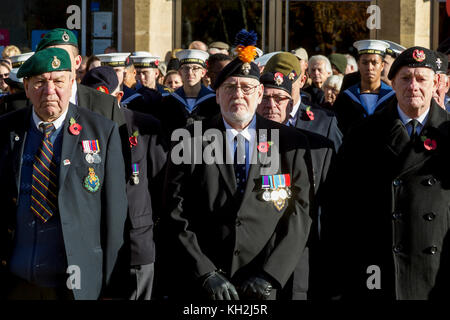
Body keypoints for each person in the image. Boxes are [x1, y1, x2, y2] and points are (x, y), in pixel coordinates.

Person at [161, 30, 313, 300]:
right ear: (216, 94)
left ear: (259, 93)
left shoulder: (290, 143)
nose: (238, 95)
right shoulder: (190, 140)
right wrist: (205, 272)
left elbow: (299, 215)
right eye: (230, 87)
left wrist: (270, 274)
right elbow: (175, 211)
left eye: (247, 87)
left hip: (265, 287)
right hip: (205, 287)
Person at [322, 46, 450, 300]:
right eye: (405, 78)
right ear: (392, 83)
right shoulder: (364, 134)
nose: (413, 86)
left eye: (421, 79)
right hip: (376, 270)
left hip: (435, 271)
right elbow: (337, 206)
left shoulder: (449, 135)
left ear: (436, 83)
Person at [0, 47, 128, 300]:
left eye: (58, 81)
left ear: (72, 84)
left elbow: (115, 217)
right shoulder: (6, 129)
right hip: (15, 283)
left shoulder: (102, 131)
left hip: (76, 285)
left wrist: (114, 287)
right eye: (39, 82)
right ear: (26, 87)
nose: (49, 91)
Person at [81, 66, 168, 300]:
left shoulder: (144, 126)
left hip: (136, 244)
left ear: (118, 97)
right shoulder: (76, 129)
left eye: (102, 100)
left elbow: (162, 186)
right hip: (90, 246)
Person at [36, 28, 124, 126]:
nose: (57, 65)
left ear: (77, 62)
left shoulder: (105, 104)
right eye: (50, 59)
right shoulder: (28, 101)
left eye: (64, 58)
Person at [264, 52, 342, 152]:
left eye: (288, 88)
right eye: (273, 90)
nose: (283, 93)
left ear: (302, 81)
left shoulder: (324, 121)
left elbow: (339, 161)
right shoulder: (256, 118)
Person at [333, 40, 396, 135]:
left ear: (382, 65)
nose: (370, 67)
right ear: (358, 65)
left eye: (374, 62)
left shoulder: (393, 98)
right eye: (365, 62)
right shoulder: (346, 97)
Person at [157, 49, 218, 134]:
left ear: (203, 72)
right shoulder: (169, 101)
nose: (190, 72)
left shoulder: (214, 101)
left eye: (195, 68)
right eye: (186, 68)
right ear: (180, 72)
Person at [121, 51, 163, 116]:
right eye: (138, 73)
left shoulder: (167, 93)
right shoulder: (131, 96)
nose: (141, 77)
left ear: (156, 73)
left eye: (145, 73)